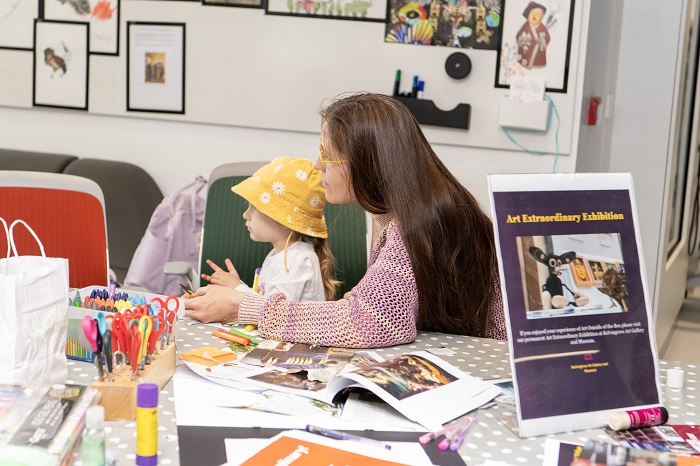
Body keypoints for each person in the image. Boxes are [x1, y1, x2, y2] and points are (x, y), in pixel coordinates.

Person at [184, 92, 507, 347]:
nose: (317, 165)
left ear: (365, 162)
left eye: (326, 154)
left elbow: (369, 322)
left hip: (484, 366)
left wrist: (244, 307)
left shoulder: (416, 224)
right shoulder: (399, 207)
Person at [202, 157, 338, 301]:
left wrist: (237, 288)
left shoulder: (295, 261)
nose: (245, 215)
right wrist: (236, 286)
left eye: (255, 207)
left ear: (284, 218)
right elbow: (268, 304)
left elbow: (274, 313)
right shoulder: (284, 255)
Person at [516, 2, 550, 69]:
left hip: (537, 53)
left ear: (542, 16)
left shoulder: (542, 28)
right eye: (532, 13)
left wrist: (542, 41)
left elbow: (547, 38)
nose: (534, 15)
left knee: (537, 60)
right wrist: (522, 39)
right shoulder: (526, 25)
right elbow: (518, 35)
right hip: (525, 51)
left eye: (537, 14)